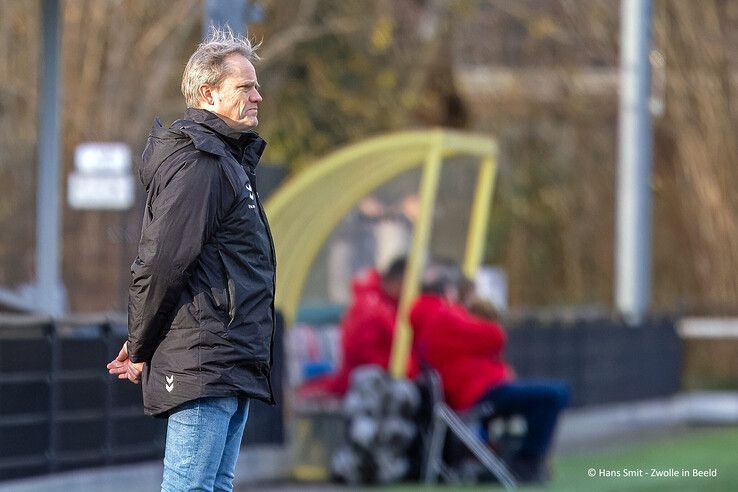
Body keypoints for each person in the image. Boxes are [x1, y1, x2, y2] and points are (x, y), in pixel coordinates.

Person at [106, 28, 275, 492]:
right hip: (206, 359)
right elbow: (162, 263)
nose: (258, 96)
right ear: (208, 93)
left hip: (227, 359)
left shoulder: (225, 159)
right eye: (245, 87)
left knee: (211, 487)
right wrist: (139, 344)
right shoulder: (200, 161)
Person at [410, 261, 569, 483]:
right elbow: (494, 336)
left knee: (551, 394)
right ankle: (526, 462)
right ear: (448, 291)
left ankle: (525, 460)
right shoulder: (442, 317)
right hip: (477, 394)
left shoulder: (428, 317)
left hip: (475, 389)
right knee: (555, 394)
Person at [298, 257, 419, 397]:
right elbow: (361, 354)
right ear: (398, 281)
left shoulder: (382, 304)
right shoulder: (373, 308)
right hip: (367, 388)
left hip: (370, 383)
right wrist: (408, 369)